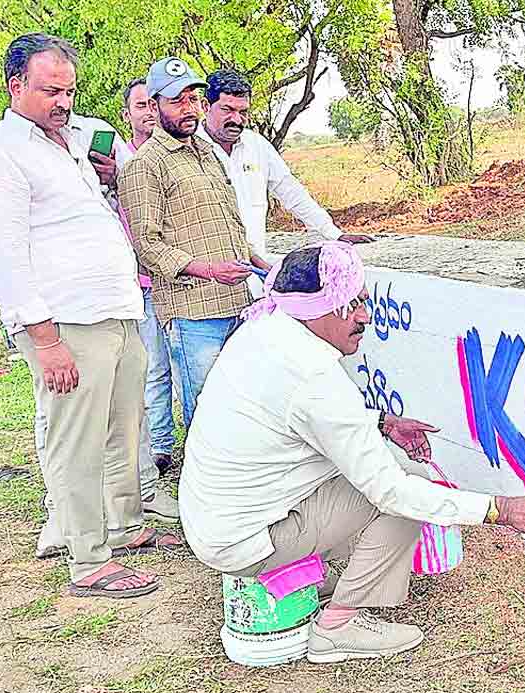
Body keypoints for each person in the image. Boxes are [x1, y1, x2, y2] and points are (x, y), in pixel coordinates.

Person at [179, 241, 525, 663]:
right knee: (407, 495)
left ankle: (320, 575)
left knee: (364, 479)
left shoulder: (268, 330)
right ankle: (338, 627)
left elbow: (301, 418)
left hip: (217, 522)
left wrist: (383, 424)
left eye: (364, 300)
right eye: (353, 303)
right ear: (320, 308)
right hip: (245, 540)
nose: (365, 315)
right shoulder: (314, 377)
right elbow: (391, 492)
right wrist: (500, 509)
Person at [0, 33, 181, 599]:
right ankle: (89, 562)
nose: (62, 101)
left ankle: (125, 528)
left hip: (118, 311)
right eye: (50, 90)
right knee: (75, 443)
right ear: (16, 87)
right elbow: (4, 256)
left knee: (122, 431)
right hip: (66, 324)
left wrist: (103, 168)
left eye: (69, 90)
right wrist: (44, 337)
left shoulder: (76, 141)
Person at [117, 57, 267, 429]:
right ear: (153, 107)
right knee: (207, 413)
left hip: (238, 302)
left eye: (193, 99)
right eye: (176, 101)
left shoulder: (206, 154)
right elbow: (147, 247)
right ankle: (207, 486)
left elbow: (229, 226)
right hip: (193, 312)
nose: (189, 109)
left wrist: (263, 265)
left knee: (244, 404)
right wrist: (209, 270)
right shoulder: (144, 165)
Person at [198, 68, 372, 257]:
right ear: (205, 106)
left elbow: (291, 192)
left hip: (253, 269)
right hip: (205, 274)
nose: (237, 120)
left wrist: (334, 235)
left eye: (243, 112)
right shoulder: (187, 149)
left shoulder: (256, 146)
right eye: (227, 110)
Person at [115, 77, 178, 477]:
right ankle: (161, 446)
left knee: (186, 364)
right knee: (154, 367)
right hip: (142, 286)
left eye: (152, 104)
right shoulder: (116, 164)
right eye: (140, 106)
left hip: (183, 279)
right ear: (128, 115)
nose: (149, 113)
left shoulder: (178, 156)